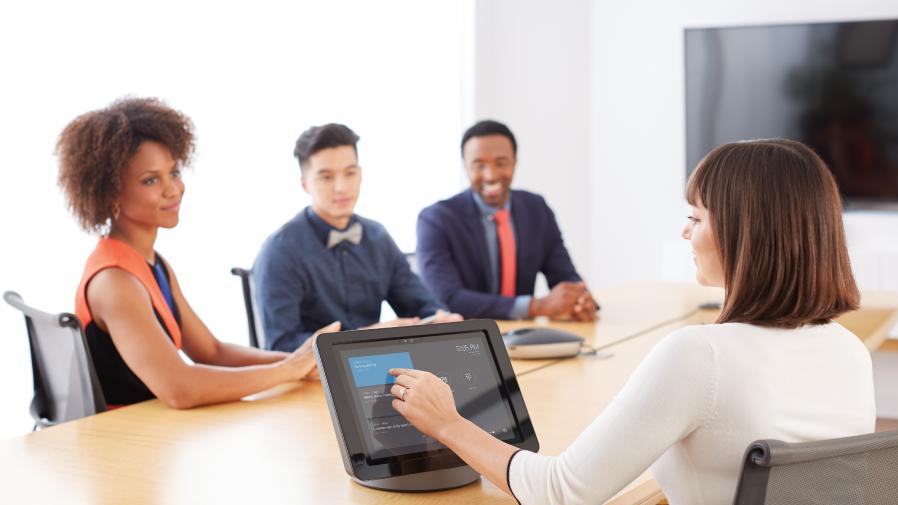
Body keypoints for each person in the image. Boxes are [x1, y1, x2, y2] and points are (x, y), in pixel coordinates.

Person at [387, 139, 874, 504]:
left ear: (747, 233)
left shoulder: (700, 356)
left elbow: (562, 492)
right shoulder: (849, 351)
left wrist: (448, 423)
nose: (685, 232)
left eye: (697, 217)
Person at [58, 97, 332, 409]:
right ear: (109, 192)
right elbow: (181, 388)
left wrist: (306, 362)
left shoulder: (150, 263)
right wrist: (287, 370)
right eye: (151, 179)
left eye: (173, 172)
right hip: (125, 443)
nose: (173, 189)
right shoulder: (114, 280)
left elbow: (212, 351)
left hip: (159, 432)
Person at [253, 123, 461, 352]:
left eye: (350, 173)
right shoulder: (280, 252)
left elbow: (421, 305)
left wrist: (440, 320)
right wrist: (365, 337)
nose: (341, 187)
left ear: (360, 175)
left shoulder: (378, 237)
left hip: (376, 368)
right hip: (313, 379)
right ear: (305, 184)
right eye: (326, 177)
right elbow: (281, 346)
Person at [416, 120, 598, 321]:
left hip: (523, 336)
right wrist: (534, 306)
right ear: (465, 167)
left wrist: (579, 300)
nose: (491, 175)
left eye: (500, 163)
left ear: (515, 162)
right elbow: (448, 297)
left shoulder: (536, 208)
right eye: (479, 165)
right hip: (468, 337)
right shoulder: (436, 219)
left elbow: (564, 275)